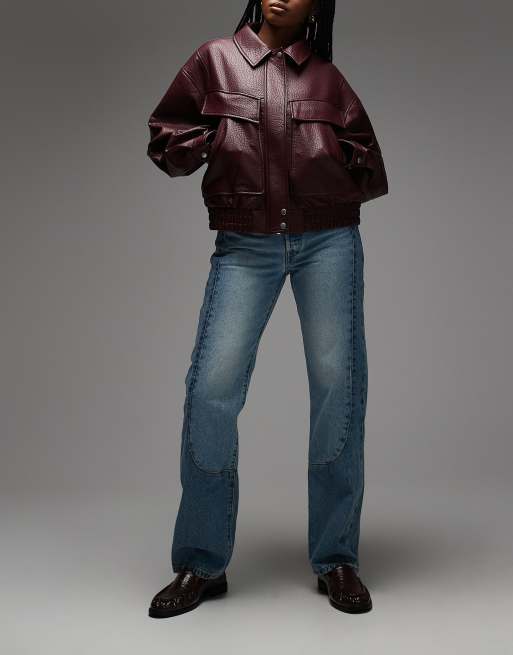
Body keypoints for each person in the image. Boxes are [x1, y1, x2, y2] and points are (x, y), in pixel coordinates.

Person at [145, 0, 388, 617]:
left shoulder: (326, 77)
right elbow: (166, 142)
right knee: (211, 389)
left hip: (328, 240)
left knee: (338, 388)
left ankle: (337, 557)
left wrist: (334, 157)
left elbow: (370, 164)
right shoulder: (214, 60)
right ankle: (201, 561)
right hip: (244, 244)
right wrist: (217, 137)